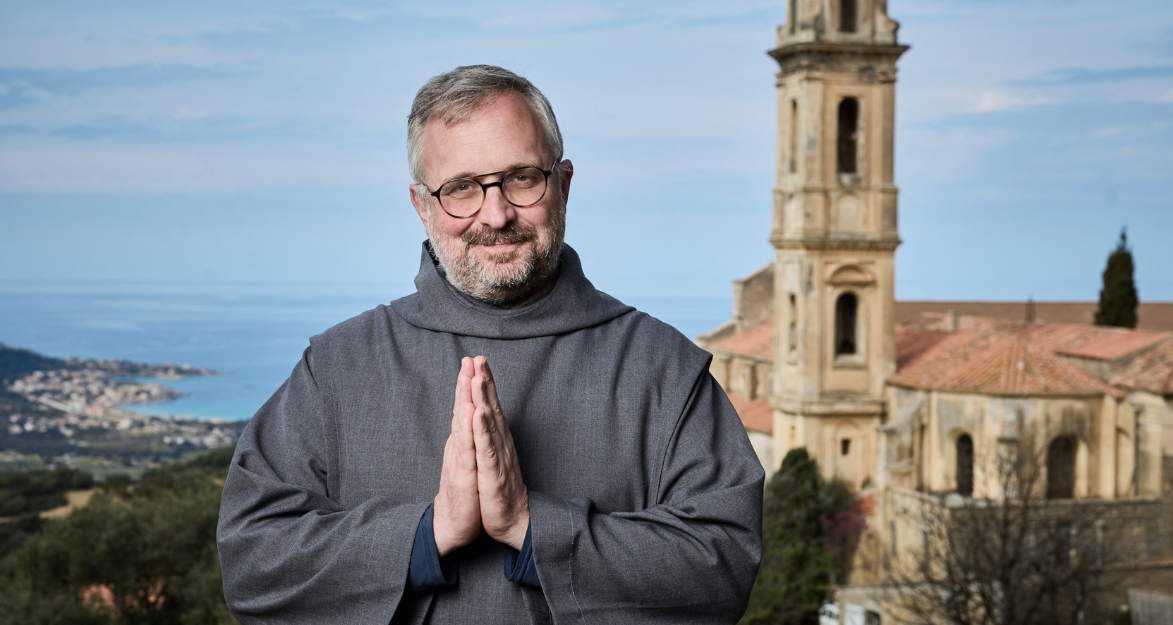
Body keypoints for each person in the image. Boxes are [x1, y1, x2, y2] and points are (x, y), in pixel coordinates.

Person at [217, 65, 764, 624]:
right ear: (421, 205)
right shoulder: (337, 368)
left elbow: (723, 567)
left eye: (522, 178)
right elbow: (253, 566)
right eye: (461, 188)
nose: (496, 214)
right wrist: (428, 534)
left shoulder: (664, 368)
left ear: (564, 183)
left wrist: (530, 526)